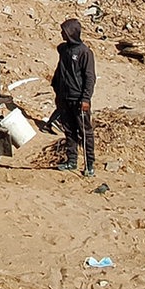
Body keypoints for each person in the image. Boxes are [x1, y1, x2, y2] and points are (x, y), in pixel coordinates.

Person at [51, 18, 96, 176]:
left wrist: (85, 99)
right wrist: (56, 88)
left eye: (64, 31)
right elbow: (60, 71)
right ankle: (71, 161)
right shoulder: (64, 50)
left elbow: (90, 78)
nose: (61, 33)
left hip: (79, 99)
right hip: (64, 97)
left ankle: (89, 164)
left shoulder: (85, 52)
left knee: (85, 132)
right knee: (69, 131)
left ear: (71, 33)